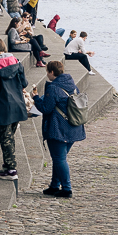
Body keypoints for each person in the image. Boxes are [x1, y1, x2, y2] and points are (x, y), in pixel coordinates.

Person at [32, 60, 86, 197]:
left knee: (59, 159)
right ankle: (55, 185)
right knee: (59, 158)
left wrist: (36, 98)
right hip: (73, 127)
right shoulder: (72, 85)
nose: (47, 75)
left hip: (58, 128)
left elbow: (46, 108)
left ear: (51, 72)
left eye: (47, 72)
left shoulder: (53, 88)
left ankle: (67, 188)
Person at [0, 39, 28, 181]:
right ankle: (8, 164)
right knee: (10, 137)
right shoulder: (17, 62)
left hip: (4, 106)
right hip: (18, 104)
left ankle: (11, 169)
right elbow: (24, 83)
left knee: (5, 138)